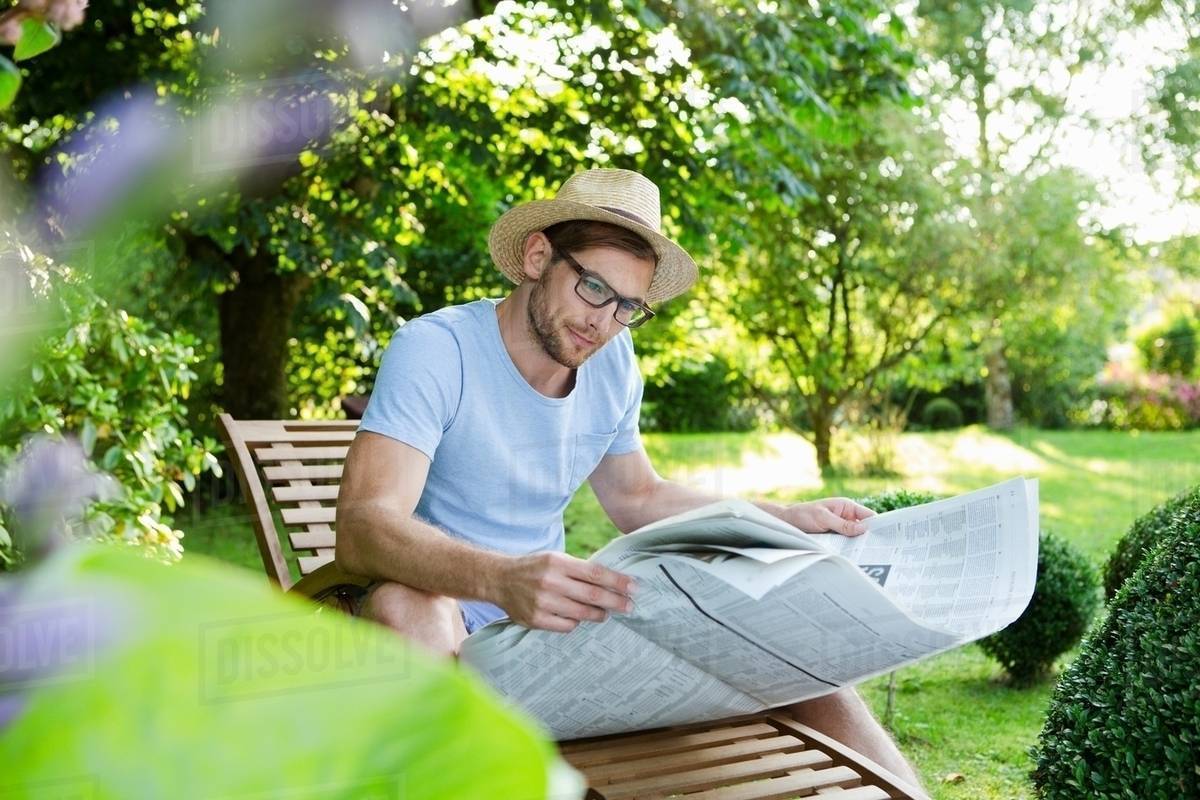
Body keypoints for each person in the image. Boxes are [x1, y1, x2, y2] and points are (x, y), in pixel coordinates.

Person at [335, 168, 922, 787]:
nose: (604, 322)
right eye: (593, 287)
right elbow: (363, 526)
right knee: (408, 605)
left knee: (800, 659)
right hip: (446, 614)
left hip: (546, 632)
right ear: (537, 257)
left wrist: (777, 518)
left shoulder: (612, 361)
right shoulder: (438, 349)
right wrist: (502, 578)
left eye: (628, 307)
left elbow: (638, 496)